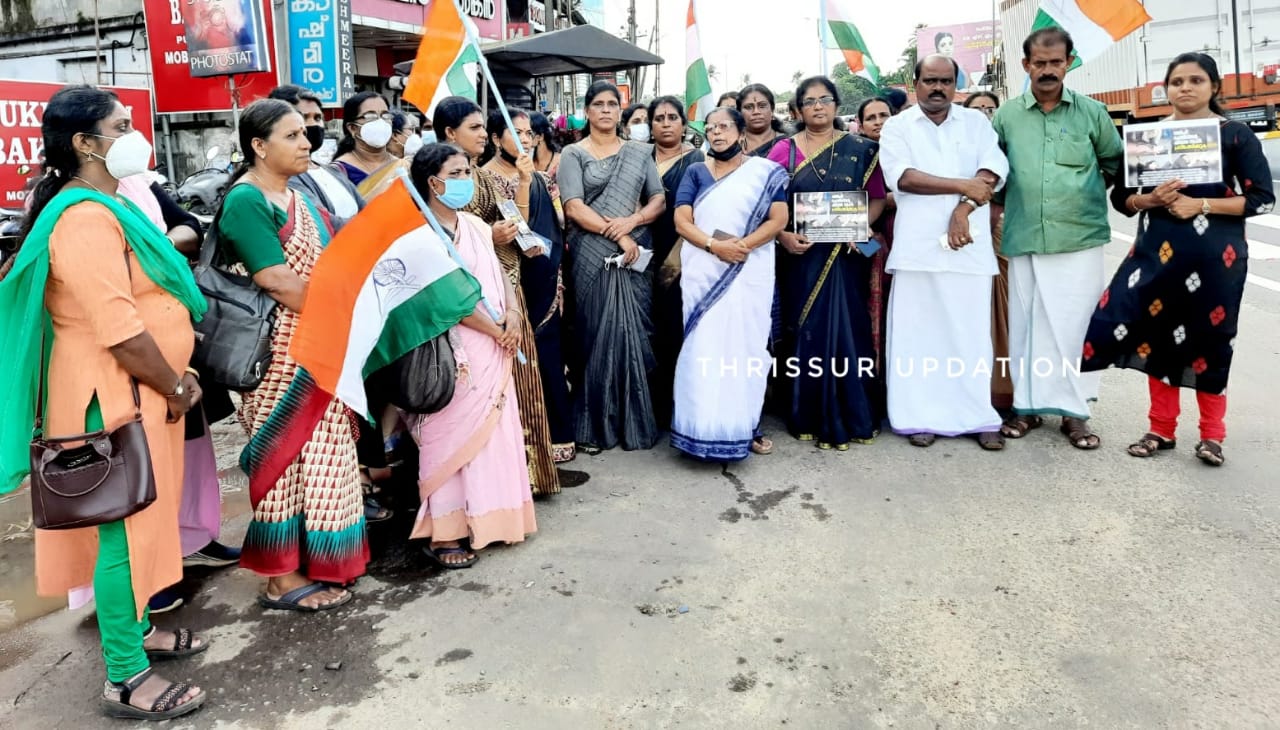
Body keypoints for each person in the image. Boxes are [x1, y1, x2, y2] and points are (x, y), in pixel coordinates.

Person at [0, 85, 209, 719]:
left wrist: (177, 371)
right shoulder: (84, 220)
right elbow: (120, 331)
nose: (133, 135)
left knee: (143, 523)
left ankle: (138, 630)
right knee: (125, 532)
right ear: (85, 144)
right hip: (112, 396)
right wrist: (173, 384)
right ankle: (125, 676)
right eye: (120, 127)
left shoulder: (109, 206)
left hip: (137, 390)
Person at [1082, 52, 1275, 467]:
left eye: (1195, 80)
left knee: (1212, 341)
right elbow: (1121, 199)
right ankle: (1161, 429)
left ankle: (1212, 435)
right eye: (1176, 81)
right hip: (1157, 257)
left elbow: (1262, 199)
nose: (1185, 88)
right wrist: (1149, 199)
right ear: (1166, 89)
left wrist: (1200, 205)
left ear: (1214, 87)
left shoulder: (1235, 135)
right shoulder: (1148, 139)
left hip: (1217, 262)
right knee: (1155, 335)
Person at [216, 99, 368, 612]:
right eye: (293, 135)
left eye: (306, 133)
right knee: (282, 460)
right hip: (280, 353)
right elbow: (277, 281)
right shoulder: (246, 200)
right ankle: (280, 578)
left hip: (320, 344)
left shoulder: (298, 197)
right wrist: (342, 312)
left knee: (324, 459)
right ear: (259, 146)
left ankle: (321, 561)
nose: (307, 143)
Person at [113, 173, 241, 614]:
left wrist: (159, 246)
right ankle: (141, 581)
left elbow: (188, 226)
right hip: (127, 363)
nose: (127, 140)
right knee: (136, 469)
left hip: (176, 358)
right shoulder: (77, 207)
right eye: (116, 134)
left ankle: (189, 541)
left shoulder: (137, 187)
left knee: (186, 458)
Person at [991, 28, 1124, 449]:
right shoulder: (1007, 116)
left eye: (1056, 62)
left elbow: (1114, 163)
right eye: (1040, 63)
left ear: (1068, 62)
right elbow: (993, 173)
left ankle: (1075, 413)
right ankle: (1026, 408)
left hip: (1079, 237)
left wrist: (1081, 195)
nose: (1048, 70)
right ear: (1026, 65)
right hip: (1025, 235)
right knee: (1027, 327)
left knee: (1076, 327)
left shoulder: (1092, 113)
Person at [406, 143, 537, 567]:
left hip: (498, 342)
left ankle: (493, 518)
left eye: (467, 172)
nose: (466, 180)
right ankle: (447, 532)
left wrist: (513, 314)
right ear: (433, 183)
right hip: (455, 350)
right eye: (457, 173)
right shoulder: (421, 236)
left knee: (495, 433)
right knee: (452, 436)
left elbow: (501, 274)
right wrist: (497, 330)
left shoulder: (476, 225)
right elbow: (446, 301)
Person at [880, 55, 1010, 450]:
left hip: (968, 246)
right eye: (930, 80)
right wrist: (962, 185)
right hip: (917, 250)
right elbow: (902, 177)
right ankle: (918, 416)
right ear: (914, 83)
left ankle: (977, 415)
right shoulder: (898, 126)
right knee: (918, 337)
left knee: (970, 335)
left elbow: (993, 170)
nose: (938, 88)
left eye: (946, 81)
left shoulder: (976, 123)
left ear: (956, 84)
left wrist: (964, 208)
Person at [431, 98, 562, 488]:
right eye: (474, 128)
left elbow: (516, 221)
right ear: (449, 133)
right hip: (466, 295)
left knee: (520, 380)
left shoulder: (481, 177)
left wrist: (523, 182)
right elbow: (442, 237)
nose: (482, 135)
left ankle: (522, 476)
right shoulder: (431, 177)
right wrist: (488, 234)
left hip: (505, 280)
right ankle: (479, 483)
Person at [767, 76, 885, 449]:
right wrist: (782, 236)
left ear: (836, 105)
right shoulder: (782, 151)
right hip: (800, 258)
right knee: (806, 331)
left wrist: (861, 225)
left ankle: (854, 413)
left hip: (846, 257)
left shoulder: (861, 149)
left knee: (850, 327)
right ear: (798, 109)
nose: (818, 106)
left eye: (825, 99)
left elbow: (877, 198)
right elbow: (766, 205)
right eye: (809, 101)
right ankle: (807, 415)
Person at [671, 107, 789, 460]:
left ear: (740, 132)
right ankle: (698, 429)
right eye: (710, 128)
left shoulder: (764, 172)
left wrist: (742, 247)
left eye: (723, 127)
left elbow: (779, 219)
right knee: (703, 348)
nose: (716, 133)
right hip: (704, 273)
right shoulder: (695, 171)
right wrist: (714, 246)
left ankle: (745, 425)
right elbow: (681, 220)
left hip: (748, 273)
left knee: (746, 347)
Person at [559, 80, 667, 451]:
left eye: (612, 104)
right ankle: (597, 423)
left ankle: (636, 421)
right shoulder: (573, 154)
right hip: (594, 254)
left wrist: (633, 222)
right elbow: (574, 207)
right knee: (597, 335)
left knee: (637, 331)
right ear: (586, 111)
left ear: (620, 111)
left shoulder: (638, 152)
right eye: (598, 104)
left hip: (636, 253)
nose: (606, 110)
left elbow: (658, 199)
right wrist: (619, 235)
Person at [476, 103, 573, 471]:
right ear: (495, 138)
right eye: (515, 134)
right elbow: (511, 228)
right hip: (508, 282)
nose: (525, 140)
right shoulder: (483, 180)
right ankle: (520, 449)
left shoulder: (545, 179)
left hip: (546, 278)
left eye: (529, 133)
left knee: (550, 358)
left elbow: (558, 224)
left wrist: (558, 275)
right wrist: (522, 182)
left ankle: (558, 439)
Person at [648, 96, 704, 429]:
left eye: (672, 117)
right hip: (640, 254)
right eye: (659, 118)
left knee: (677, 332)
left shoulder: (698, 161)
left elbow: (704, 213)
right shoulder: (638, 158)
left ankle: (681, 410)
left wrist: (676, 259)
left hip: (682, 259)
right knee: (647, 333)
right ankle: (650, 409)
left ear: (684, 124)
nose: (666, 123)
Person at [962, 91, 1014, 414]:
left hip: (1002, 231)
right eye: (977, 108)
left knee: (1003, 313)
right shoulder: (960, 144)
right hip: (963, 236)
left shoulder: (1003, 147)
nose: (983, 114)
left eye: (990, 108)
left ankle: (1003, 391)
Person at [267, 85, 365, 229]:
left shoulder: (333, 171)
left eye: (318, 118)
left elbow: (366, 210)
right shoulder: (285, 177)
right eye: (304, 117)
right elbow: (325, 225)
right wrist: (368, 224)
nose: (313, 124)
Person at [856, 96, 898, 408]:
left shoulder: (906, 151)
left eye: (884, 115)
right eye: (870, 118)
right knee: (871, 310)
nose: (878, 122)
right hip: (868, 242)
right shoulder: (857, 155)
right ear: (859, 125)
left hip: (906, 241)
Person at [331, 91, 396, 190]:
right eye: (370, 116)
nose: (380, 121)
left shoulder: (403, 166)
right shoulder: (339, 171)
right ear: (352, 128)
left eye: (385, 115)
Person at [739, 84, 786, 158]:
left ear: (772, 110)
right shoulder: (732, 145)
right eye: (748, 107)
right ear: (739, 112)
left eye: (762, 106)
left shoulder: (788, 143)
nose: (756, 112)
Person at [530, 111, 562, 186]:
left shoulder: (561, 162)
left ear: (540, 137)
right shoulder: (525, 161)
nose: (523, 138)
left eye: (529, 133)